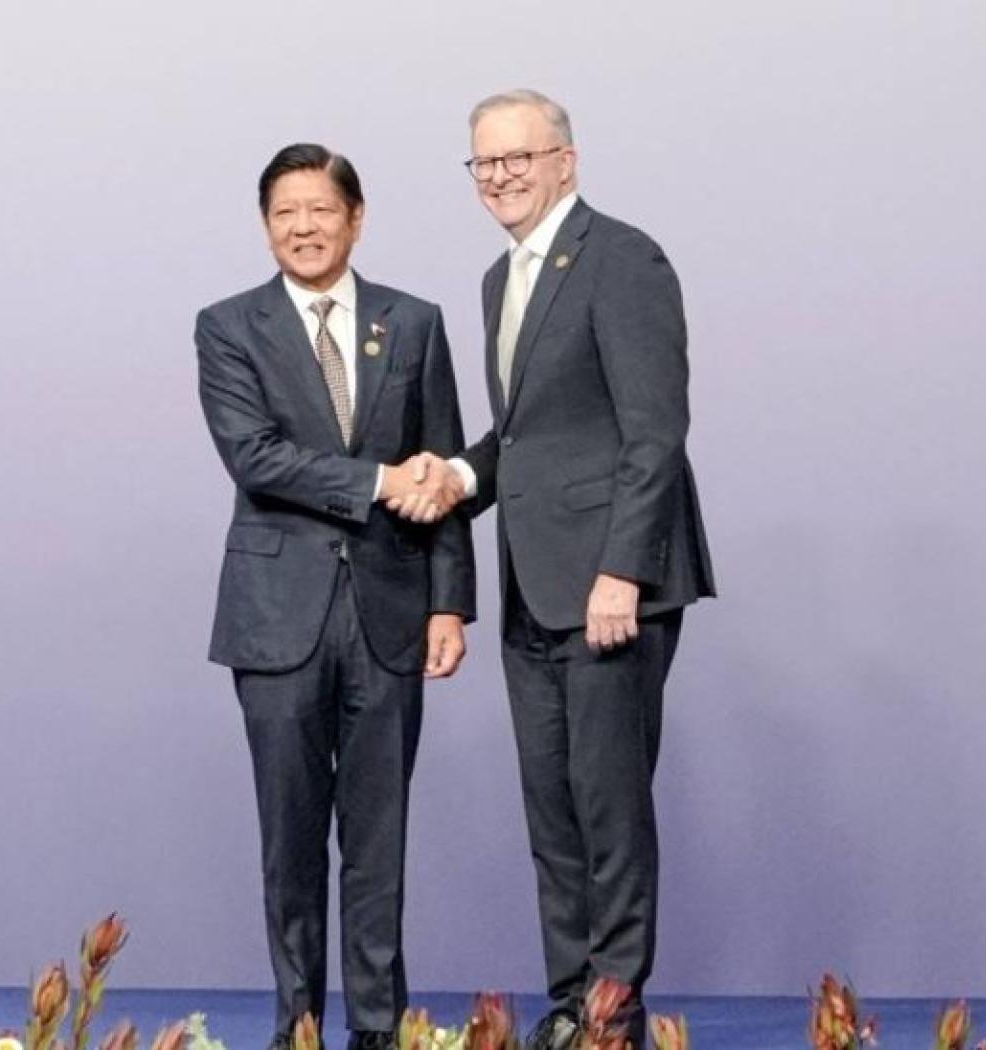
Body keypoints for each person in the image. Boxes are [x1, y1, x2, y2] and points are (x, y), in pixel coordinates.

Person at [395, 90, 715, 1050]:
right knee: (554, 809)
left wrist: (623, 569)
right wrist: (454, 475)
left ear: (565, 162)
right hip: (533, 588)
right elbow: (529, 439)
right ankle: (571, 1002)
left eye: (518, 158)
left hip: (612, 590)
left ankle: (614, 1013)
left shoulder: (624, 258)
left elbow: (655, 430)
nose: (500, 177)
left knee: (610, 806)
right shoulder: (502, 279)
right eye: (483, 163)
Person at [195, 142, 474, 1050]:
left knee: (378, 843)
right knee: (290, 841)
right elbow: (256, 457)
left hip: (392, 617)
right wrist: (380, 483)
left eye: (320, 210)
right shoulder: (228, 326)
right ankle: (299, 1028)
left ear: (356, 218)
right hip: (276, 620)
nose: (303, 228)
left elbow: (447, 468)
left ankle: (381, 1033)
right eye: (285, 213)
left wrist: (448, 605)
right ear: (266, 224)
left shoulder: (416, 321)